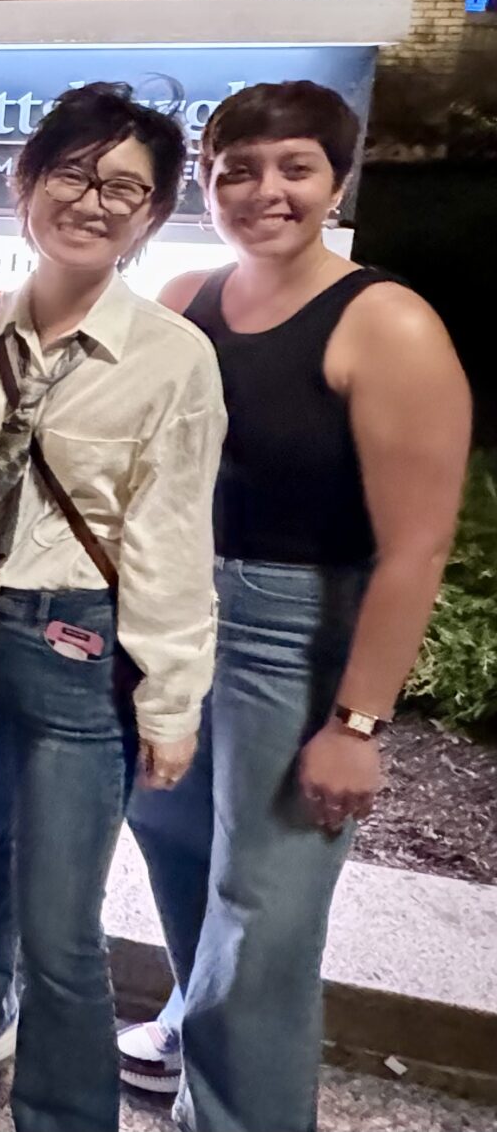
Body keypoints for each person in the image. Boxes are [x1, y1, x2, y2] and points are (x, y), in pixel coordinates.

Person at [119, 81, 471, 1132]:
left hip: (293, 637)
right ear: (208, 179)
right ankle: (196, 1022)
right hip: (172, 622)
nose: (262, 190)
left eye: (293, 167)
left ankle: (238, 1115)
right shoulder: (182, 298)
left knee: (262, 914)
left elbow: (414, 546)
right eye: (237, 168)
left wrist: (356, 725)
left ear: (335, 179)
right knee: (173, 847)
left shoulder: (386, 323)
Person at [0, 84, 225, 1129]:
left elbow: (172, 539)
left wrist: (171, 701)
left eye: (124, 187)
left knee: (62, 921)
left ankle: (62, 1111)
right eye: (73, 174)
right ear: (25, 183)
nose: (93, 201)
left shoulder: (171, 361)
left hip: (78, 650)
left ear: (151, 215)